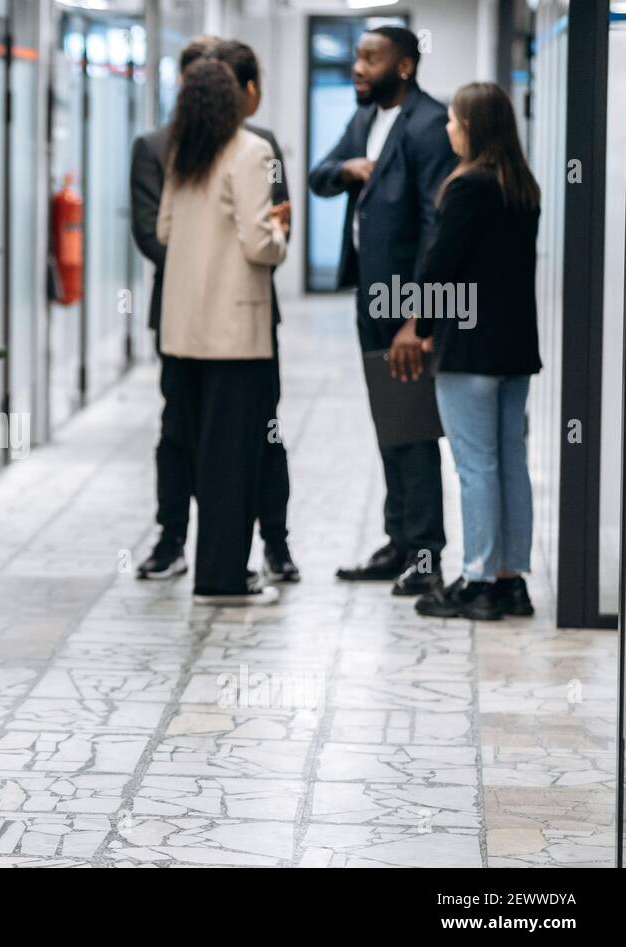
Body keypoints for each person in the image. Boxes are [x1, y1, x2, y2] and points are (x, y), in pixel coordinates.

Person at [132, 37, 299, 584]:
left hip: (185, 328)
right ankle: (222, 574)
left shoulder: (182, 152)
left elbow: (162, 232)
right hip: (235, 331)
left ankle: (220, 561)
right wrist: (278, 229)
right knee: (234, 451)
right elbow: (260, 245)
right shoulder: (251, 151)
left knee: (197, 441)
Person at [308, 26, 457, 596]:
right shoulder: (366, 121)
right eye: (357, 57)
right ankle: (400, 543)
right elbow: (321, 176)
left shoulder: (427, 124)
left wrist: (416, 318)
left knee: (413, 427)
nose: (358, 67)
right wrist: (350, 170)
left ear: (405, 66)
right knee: (390, 424)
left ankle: (425, 556)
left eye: (371, 57)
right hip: (370, 296)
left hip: (403, 304)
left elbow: (434, 228)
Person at [403, 83, 542, 620]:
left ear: (474, 128)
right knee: (510, 461)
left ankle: (478, 580)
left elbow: (440, 266)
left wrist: (419, 325)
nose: (448, 128)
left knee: (476, 465)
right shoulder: (521, 186)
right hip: (512, 350)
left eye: (455, 121)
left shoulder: (468, 187)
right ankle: (511, 580)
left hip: (470, 350)